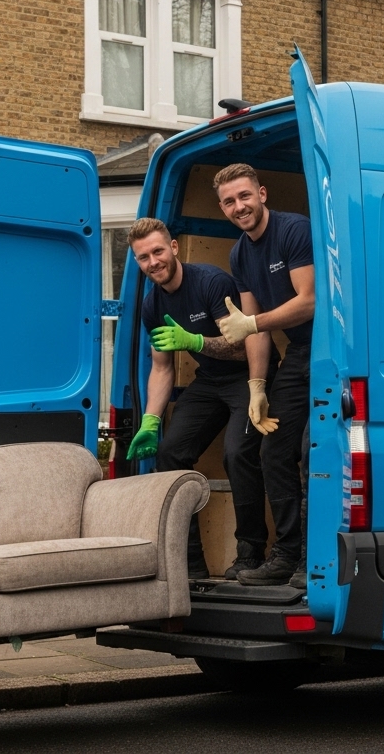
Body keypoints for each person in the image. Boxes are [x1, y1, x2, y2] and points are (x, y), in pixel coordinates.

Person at [123, 217, 277, 581]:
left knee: (237, 453)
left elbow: (245, 347)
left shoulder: (211, 282)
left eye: (158, 251)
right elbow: (162, 369)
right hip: (209, 380)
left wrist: (194, 342)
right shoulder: (151, 305)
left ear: (173, 248)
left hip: (248, 375)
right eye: (143, 258)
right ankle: (189, 565)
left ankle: (250, 552)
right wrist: (150, 420)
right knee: (170, 453)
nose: (153, 262)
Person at [213, 164, 315, 588]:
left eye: (244, 196)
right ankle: (286, 556)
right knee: (273, 451)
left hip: (339, 350)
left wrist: (253, 325)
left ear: (263, 194)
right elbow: (250, 322)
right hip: (301, 352)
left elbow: (309, 302)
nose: (239, 207)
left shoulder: (294, 231)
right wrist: (257, 386)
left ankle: (314, 558)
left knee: (315, 453)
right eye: (229, 201)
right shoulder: (240, 254)